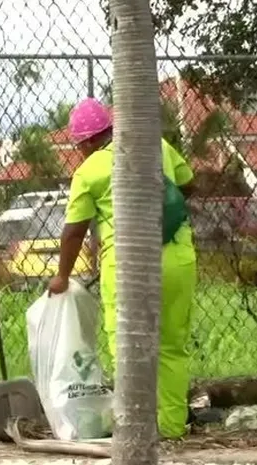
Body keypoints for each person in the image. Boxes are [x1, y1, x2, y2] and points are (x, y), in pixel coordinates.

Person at [47, 98, 197, 439]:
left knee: (128, 348)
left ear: (86, 142)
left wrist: (62, 276)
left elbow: (74, 230)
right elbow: (189, 184)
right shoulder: (157, 145)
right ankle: (172, 427)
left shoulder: (90, 170)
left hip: (127, 265)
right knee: (172, 345)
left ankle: (138, 427)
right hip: (177, 257)